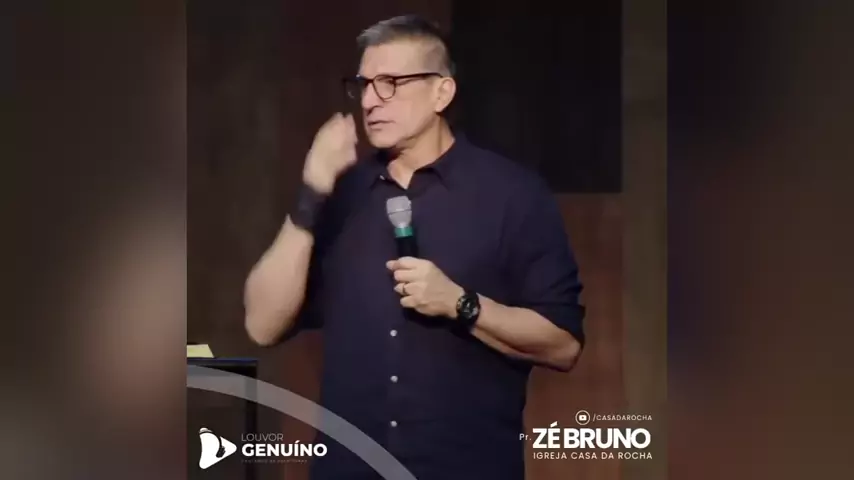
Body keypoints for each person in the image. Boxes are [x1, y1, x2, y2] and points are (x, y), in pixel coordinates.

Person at [244, 14, 586, 480]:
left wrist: (461, 304)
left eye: (390, 84)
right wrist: (312, 191)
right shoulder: (340, 196)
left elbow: (563, 345)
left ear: (441, 93)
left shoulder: (513, 196)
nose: (370, 101)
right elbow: (262, 325)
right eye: (363, 85)